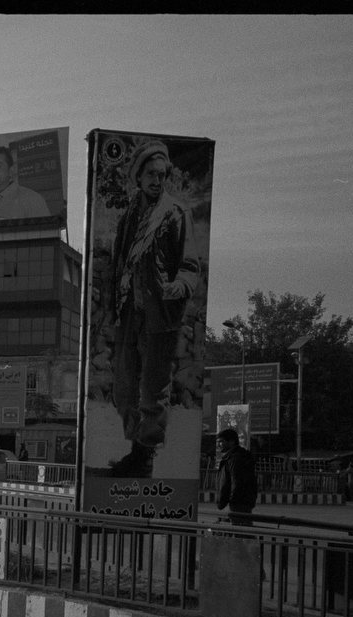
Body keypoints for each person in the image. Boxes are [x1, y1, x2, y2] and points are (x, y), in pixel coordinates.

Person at [97, 138, 200, 478]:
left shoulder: (174, 212)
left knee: (154, 390)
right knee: (124, 388)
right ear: (138, 177)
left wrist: (177, 286)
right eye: (151, 174)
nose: (157, 180)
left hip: (161, 315)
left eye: (162, 174)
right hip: (129, 315)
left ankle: (145, 457)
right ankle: (136, 449)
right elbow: (119, 265)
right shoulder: (129, 217)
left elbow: (190, 266)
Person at [214, 429, 259, 526]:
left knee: (241, 532)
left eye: (221, 442)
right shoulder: (232, 457)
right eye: (218, 442)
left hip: (238, 503)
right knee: (241, 531)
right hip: (238, 502)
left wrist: (231, 501)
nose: (219, 445)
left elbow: (237, 482)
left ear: (232, 442)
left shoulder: (235, 458)